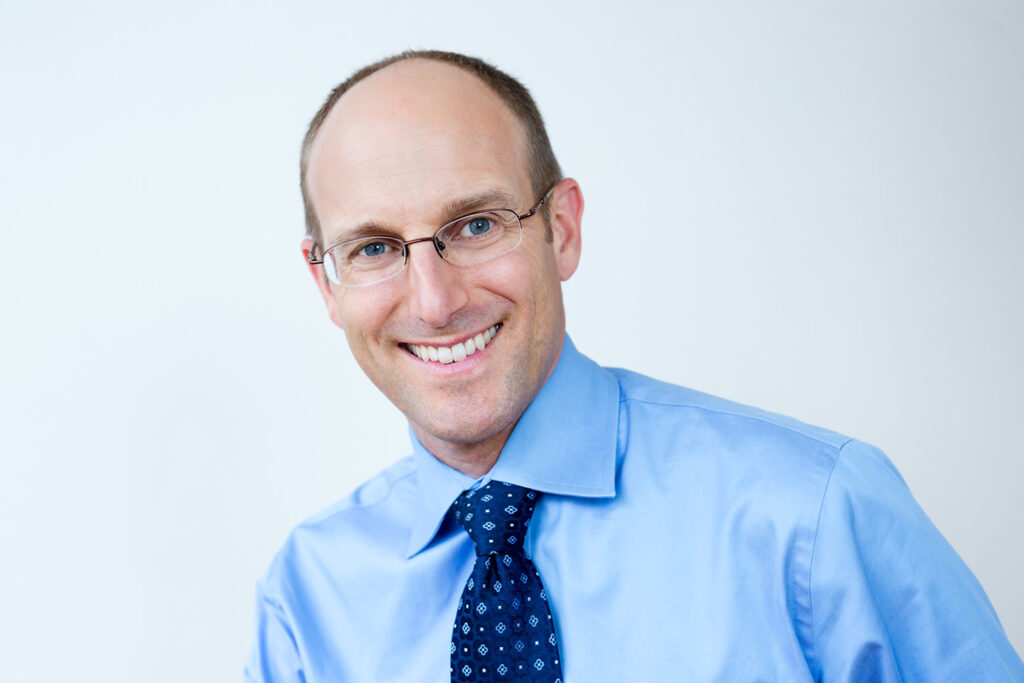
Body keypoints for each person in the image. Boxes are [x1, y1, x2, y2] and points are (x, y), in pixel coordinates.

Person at [246, 50, 1023, 682]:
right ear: (327, 284)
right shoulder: (307, 598)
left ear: (562, 229)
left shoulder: (812, 517)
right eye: (374, 247)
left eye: (476, 224)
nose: (435, 300)